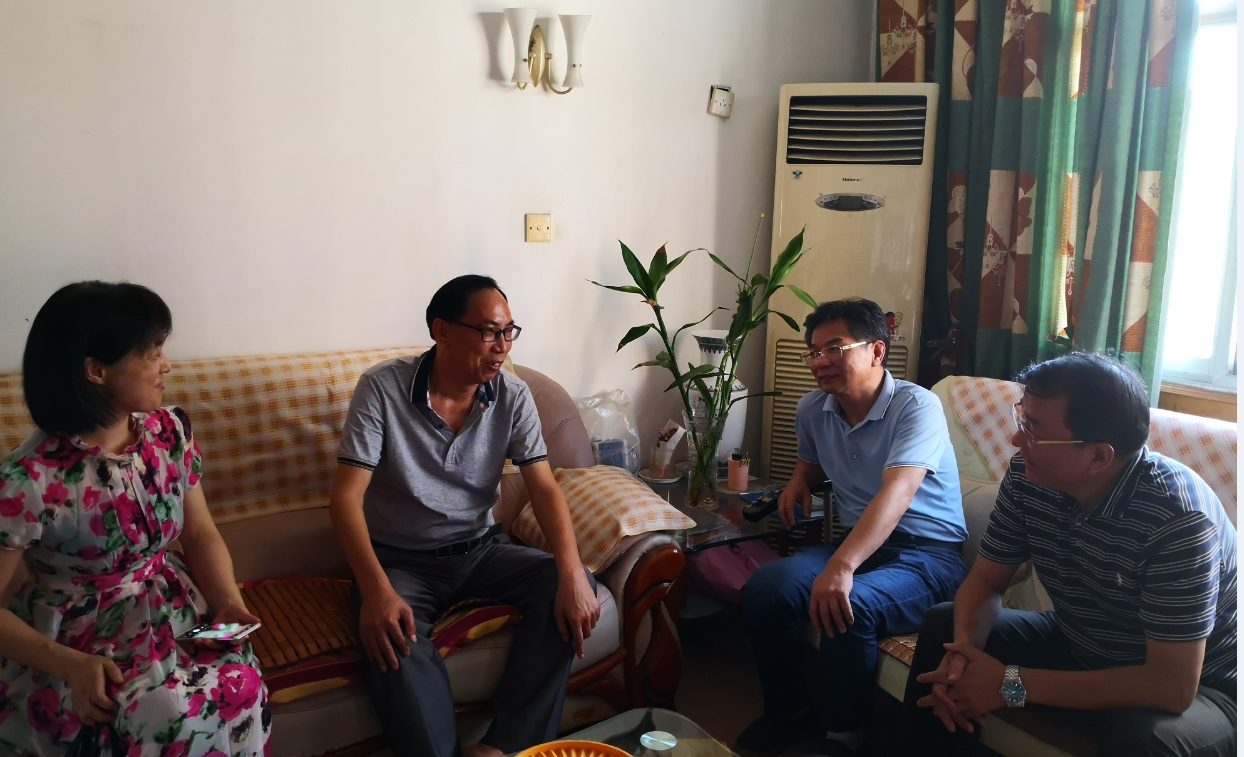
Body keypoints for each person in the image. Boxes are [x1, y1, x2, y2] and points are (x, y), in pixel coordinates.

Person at [903, 353, 1237, 757]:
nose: (1016, 441)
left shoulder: (1177, 520)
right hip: (1083, 641)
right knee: (945, 625)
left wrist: (1008, 683)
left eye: (1034, 430)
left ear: (1098, 456)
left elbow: (1171, 687)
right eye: (1021, 419)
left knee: (1139, 736)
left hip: (1203, 687)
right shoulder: (1028, 476)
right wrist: (966, 658)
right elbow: (987, 580)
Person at [330, 274, 600, 757]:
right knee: (393, 638)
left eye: (509, 331)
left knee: (572, 583)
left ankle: (505, 746)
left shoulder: (513, 395)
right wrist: (375, 591)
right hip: (402, 561)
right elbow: (346, 498)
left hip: (483, 551)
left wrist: (572, 571)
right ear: (442, 331)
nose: (502, 347)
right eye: (489, 331)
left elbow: (542, 486)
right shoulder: (382, 389)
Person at [0, 281, 269, 756]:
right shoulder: (29, 479)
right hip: (75, 644)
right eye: (151, 353)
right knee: (155, 715)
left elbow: (199, 532)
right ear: (96, 370)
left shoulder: (170, 432)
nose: (166, 365)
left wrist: (227, 603)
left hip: (174, 607)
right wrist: (71, 666)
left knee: (237, 679)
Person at [738, 298, 968, 756]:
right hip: (860, 543)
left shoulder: (917, 406)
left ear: (877, 351)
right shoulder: (812, 409)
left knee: (849, 604)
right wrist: (799, 481)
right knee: (765, 588)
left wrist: (842, 567)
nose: (819, 362)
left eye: (834, 349)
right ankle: (787, 710)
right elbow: (811, 459)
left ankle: (843, 737)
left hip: (928, 554)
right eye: (813, 352)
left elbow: (897, 493)